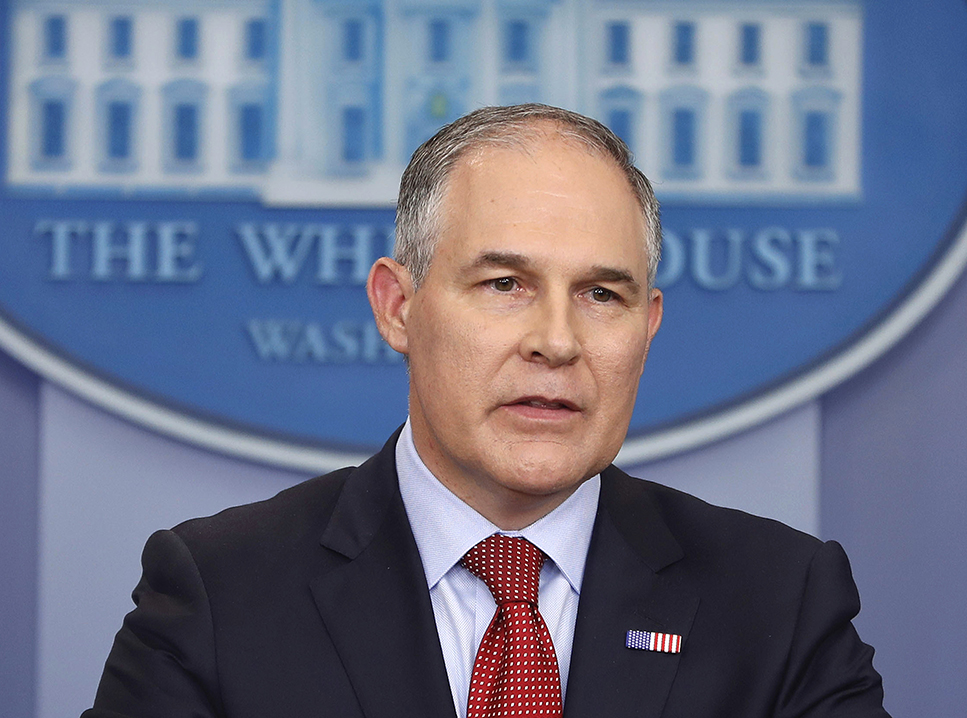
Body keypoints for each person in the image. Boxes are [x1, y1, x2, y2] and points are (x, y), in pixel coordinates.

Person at [84, 104, 890, 718]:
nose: (556, 341)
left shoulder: (781, 602)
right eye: (505, 285)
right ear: (398, 307)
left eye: (601, 294)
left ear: (646, 330)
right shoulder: (221, 593)